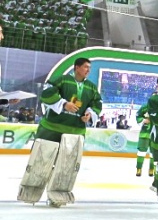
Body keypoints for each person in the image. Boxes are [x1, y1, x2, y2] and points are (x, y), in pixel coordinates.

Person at [18, 58, 102, 207]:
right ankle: (30, 192)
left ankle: (57, 196)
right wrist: (63, 104)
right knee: (41, 160)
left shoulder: (92, 87)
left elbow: (97, 104)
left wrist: (89, 114)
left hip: (75, 132)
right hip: (51, 128)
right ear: (77, 68)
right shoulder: (62, 80)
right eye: (85, 67)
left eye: (89, 68)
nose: (88, 70)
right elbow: (46, 94)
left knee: (66, 166)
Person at [134, 102, 155, 177]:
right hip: (144, 133)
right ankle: (139, 169)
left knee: (154, 153)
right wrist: (143, 120)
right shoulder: (145, 107)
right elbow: (138, 115)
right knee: (141, 152)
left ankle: (152, 169)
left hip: (156, 135)